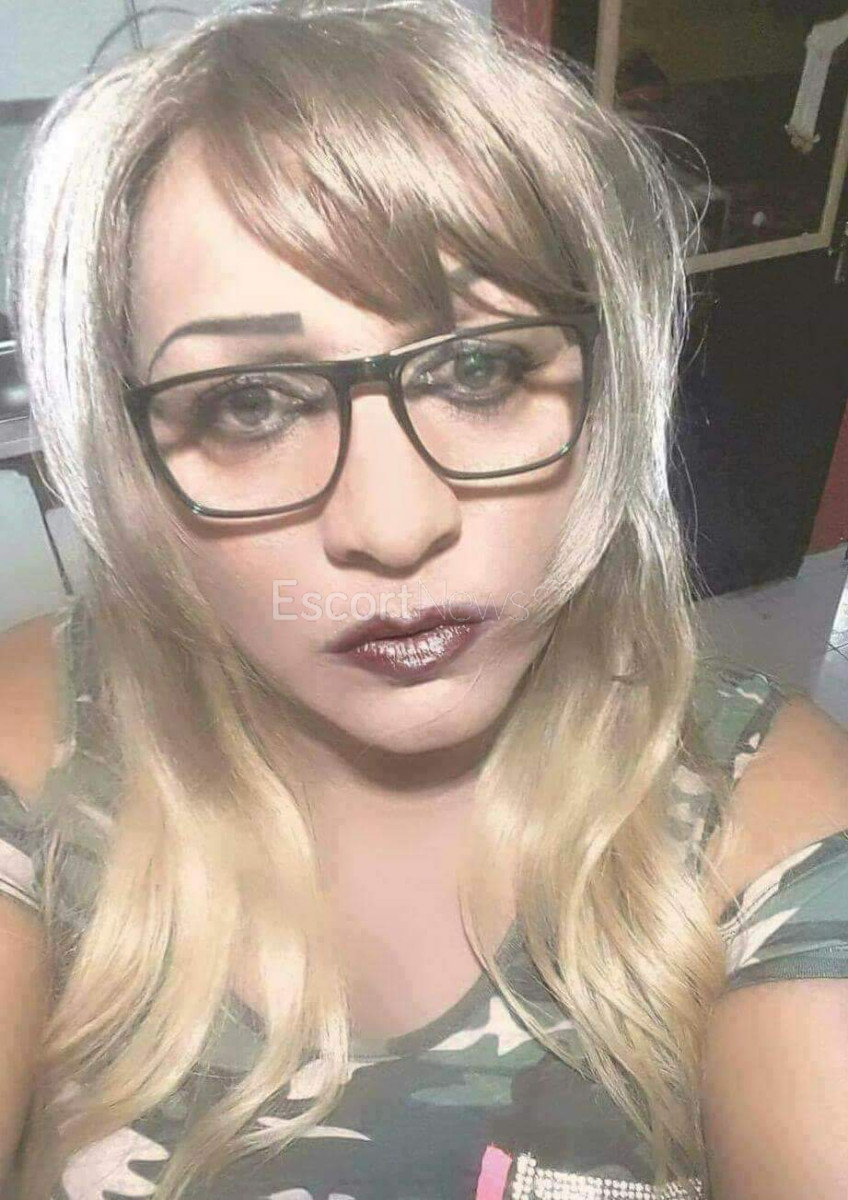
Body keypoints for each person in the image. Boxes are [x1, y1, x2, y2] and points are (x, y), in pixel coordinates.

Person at [1, 2, 847, 1197]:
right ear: (128, 459)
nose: (395, 526)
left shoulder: (763, 815)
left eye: (478, 368)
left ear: (603, 396)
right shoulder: (46, 740)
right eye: (250, 402)